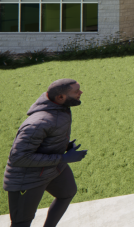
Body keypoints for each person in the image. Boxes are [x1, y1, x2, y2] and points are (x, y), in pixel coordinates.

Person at [4, 79, 88, 227]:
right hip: (27, 178)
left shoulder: (61, 109)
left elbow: (46, 139)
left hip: (53, 168)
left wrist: (65, 146)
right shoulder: (38, 123)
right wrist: (64, 157)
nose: (80, 93)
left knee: (67, 193)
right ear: (60, 97)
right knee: (21, 222)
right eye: (76, 91)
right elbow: (19, 157)